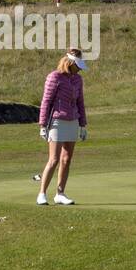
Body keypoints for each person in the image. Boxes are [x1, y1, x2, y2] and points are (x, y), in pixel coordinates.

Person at [37, 49, 88, 205]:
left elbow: (80, 102)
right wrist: (43, 124)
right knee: (54, 159)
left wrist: (83, 124)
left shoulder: (78, 79)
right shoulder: (55, 77)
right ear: (70, 63)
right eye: (77, 65)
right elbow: (46, 102)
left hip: (73, 121)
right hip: (57, 122)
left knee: (66, 159)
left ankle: (60, 193)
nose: (79, 69)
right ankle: (42, 194)